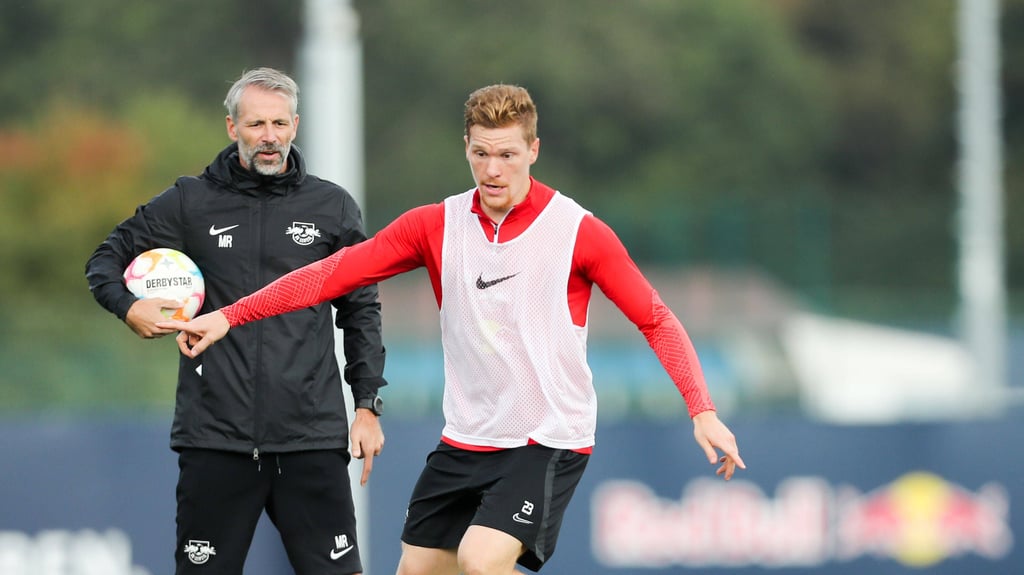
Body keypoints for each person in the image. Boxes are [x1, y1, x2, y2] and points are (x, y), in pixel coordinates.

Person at [159, 83, 744, 575]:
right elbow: (331, 274)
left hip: (548, 435)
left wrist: (702, 408)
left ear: (534, 150)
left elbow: (655, 318)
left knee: (481, 559)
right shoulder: (433, 225)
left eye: (508, 155)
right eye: (482, 153)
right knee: (417, 571)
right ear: (465, 146)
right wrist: (229, 314)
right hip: (468, 435)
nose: (493, 170)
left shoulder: (578, 232)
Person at [85, 67, 386, 575]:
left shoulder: (331, 206)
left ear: (295, 124)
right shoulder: (189, 201)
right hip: (214, 439)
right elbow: (105, 259)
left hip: (310, 438)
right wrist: (128, 306)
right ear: (232, 129)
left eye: (278, 123)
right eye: (254, 125)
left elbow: (361, 311)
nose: (268, 137)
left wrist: (367, 405)